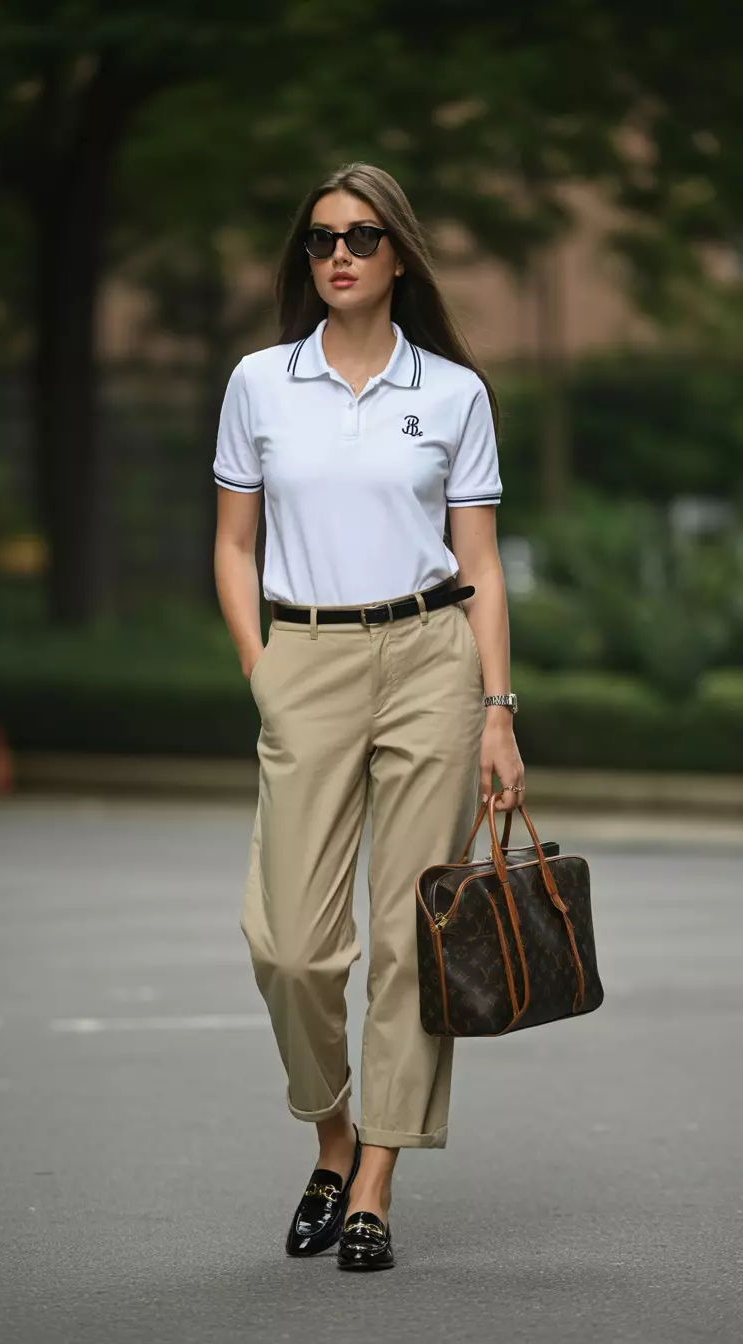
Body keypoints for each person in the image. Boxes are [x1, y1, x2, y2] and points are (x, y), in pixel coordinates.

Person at [212, 162, 525, 1272]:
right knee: (291, 945)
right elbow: (234, 542)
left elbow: (479, 563)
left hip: (433, 658)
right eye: (318, 240)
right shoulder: (259, 381)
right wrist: (264, 668)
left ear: (398, 254)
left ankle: (375, 1184)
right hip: (304, 654)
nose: (336, 254)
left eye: (358, 236)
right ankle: (333, 1135)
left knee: (411, 937)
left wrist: (497, 711)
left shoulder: (452, 394)